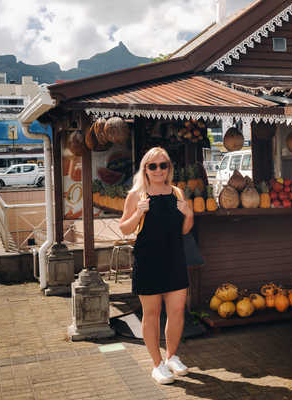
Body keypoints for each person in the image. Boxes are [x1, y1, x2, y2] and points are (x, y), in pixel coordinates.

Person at [119, 147, 193, 385]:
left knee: (177, 311)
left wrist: (189, 214)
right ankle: (157, 364)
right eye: (153, 166)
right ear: (145, 169)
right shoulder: (136, 195)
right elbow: (124, 229)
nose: (159, 170)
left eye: (164, 165)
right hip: (148, 260)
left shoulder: (176, 193)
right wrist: (138, 213)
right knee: (152, 314)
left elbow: (183, 230)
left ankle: (171, 357)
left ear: (169, 168)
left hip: (174, 258)